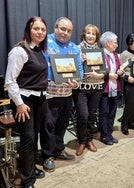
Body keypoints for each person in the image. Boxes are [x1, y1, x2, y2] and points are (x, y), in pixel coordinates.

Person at [5, 16, 47, 188]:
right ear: (29, 30)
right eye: (36, 28)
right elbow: (10, 81)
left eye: (43, 29)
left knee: (35, 134)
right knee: (28, 138)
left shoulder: (38, 50)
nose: (40, 32)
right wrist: (20, 104)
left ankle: (30, 168)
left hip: (40, 99)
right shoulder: (19, 51)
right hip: (24, 101)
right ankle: (27, 180)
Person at [40, 17, 81, 172]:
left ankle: (59, 149)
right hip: (49, 93)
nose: (65, 33)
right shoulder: (45, 41)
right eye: (62, 29)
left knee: (62, 124)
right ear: (55, 27)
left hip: (67, 93)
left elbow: (79, 71)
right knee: (48, 125)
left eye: (69, 31)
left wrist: (76, 83)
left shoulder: (74, 47)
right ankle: (47, 155)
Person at [74, 24, 107, 156]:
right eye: (88, 33)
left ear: (97, 37)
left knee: (92, 115)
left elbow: (106, 70)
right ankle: (81, 141)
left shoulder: (100, 51)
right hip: (81, 88)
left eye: (93, 34)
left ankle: (89, 140)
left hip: (97, 87)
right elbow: (69, 69)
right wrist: (79, 61)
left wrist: (101, 75)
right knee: (83, 115)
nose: (91, 36)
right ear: (84, 34)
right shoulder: (77, 49)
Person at [98, 31, 124, 145]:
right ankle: (104, 136)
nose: (116, 45)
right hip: (105, 88)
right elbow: (98, 70)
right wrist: (109, 75)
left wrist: (120, 71)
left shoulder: (115, 55)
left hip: (115, 87)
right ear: (107, 43)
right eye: (115, 42)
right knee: (104, 112)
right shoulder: (100, 54)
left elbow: (118, 69)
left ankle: (109, 133)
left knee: (112, 112)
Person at [120, 32, 134, 135]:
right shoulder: (124, 54)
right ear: (130, 43)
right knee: (129, 105)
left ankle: (131, 123)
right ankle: (124, 125)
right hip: (129, 83)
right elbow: (120, 70)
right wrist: (127, 77)